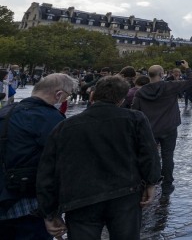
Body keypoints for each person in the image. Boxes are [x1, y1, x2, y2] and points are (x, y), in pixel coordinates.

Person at [37, 76, 162, 240]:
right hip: (124, 194)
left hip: (80, 199)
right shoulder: (135, 119)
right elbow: (149, 154)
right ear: (121, 99)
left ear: (93, 95)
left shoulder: (65, 126)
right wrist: (151, 182)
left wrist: (49, 212)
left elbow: (47, 170)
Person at [0, 73, 74, 239]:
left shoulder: (6, 112)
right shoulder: (52, 119)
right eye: (68, 96)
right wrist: (52, 212)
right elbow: (59, 167)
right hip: (29, 203)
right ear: (59, 94)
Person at [131, 60, 192, 196]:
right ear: (162, 74)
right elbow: (191, 81)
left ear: (149, 75)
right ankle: (167, 184)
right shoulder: (170, 86)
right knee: (168, 157)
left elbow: (134, 112)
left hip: (150, 129)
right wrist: (187, 68)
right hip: (169, 127)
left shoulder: (141, 92)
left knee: (149, 156)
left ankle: (148, 182)